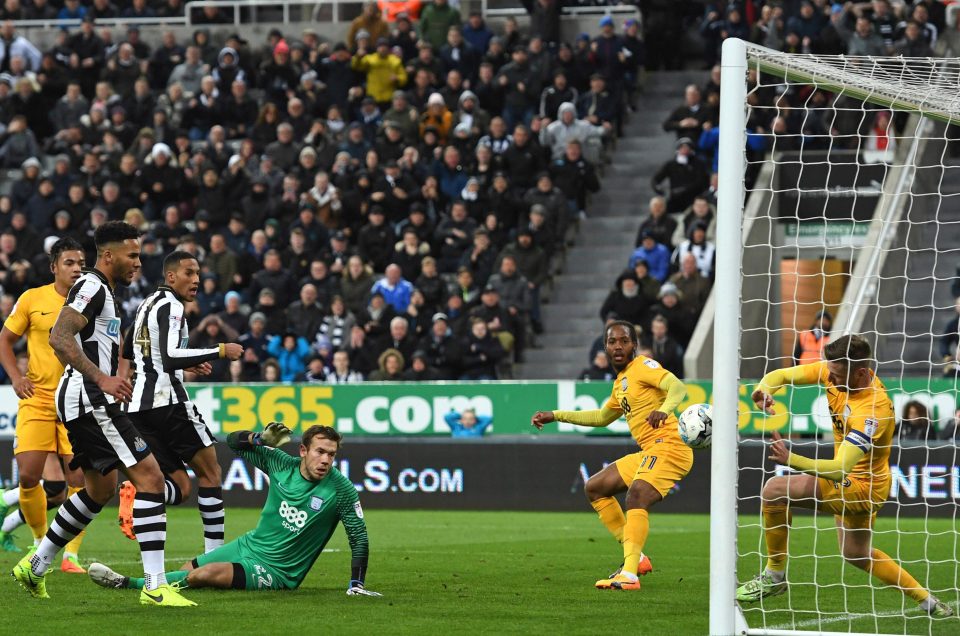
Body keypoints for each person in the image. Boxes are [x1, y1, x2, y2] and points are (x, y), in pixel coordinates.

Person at [13, 221, 194, 607]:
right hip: (89, 396)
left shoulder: (104, 291)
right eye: (132, 255)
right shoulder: (93, 286)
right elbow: (59, 336)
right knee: (150, 477)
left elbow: (104, 343)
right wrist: (103, 379)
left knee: (99, 489)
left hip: (84, 397)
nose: (138, 263)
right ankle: (156, 586)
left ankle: (37, 564)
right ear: (108, 255)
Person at [738, 335, 952, 618]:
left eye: (837, 375)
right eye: (830, 371)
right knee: (856, 553)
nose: (831, 378)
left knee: (774, 490)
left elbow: (840, 469)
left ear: (861, 372)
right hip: (863, 484)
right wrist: (765, 390)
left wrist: (791, 460)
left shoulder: (872, 411)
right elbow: (783, 375)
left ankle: (775, 576)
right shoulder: (834, 371)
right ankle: (929, 603)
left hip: (860, 486)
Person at [87, 423, 381, 597]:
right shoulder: (281, 463)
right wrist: (258, 440)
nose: (326, 460)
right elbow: (231, 442)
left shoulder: (341, 489)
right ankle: (157, 585)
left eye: (331, 454)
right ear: (303, 451)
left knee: (203, 576)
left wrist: (356, 584)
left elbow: (359, 538)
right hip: (248, 545)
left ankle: (128, 583)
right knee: (189, 570)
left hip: (276, 572)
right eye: (320, 451)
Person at [530, 320, 690, 590]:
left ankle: (629, 575)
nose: (618, 346)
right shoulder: (621, 383)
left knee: (636, 495)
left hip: (670, 446)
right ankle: (636, 557)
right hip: (650, 450)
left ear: (634, 345)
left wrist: (665, 408)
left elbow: (677, 388)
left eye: (624, 341)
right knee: (595, 487)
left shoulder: (644, 367)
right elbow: (602, 417)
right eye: (612, 342)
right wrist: (556, 415)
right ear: (605, 347)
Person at [118, 251, 244, 550]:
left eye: (198, 273)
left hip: (138, 408)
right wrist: (220, 350)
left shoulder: (146, 303)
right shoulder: (173, 306)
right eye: (189, 272)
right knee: (211, 472)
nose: (196, 279)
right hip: (168, 402)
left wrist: (183, 363)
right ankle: (214, 555)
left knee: (182, 488)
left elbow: (128, 350)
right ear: (171, 277)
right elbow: (171, 355)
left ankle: (134, 495)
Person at [0, 238, 89, 572]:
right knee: (28, 475)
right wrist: (15, 376)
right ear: (54, 267)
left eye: (81, 262)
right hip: (37, 397)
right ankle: (39, 544)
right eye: (69, 262)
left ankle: (71, 556)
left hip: (77, 398)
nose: (77, 267)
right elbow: (5, 340)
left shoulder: (93, 300)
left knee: (79, 478)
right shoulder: (32, 298)